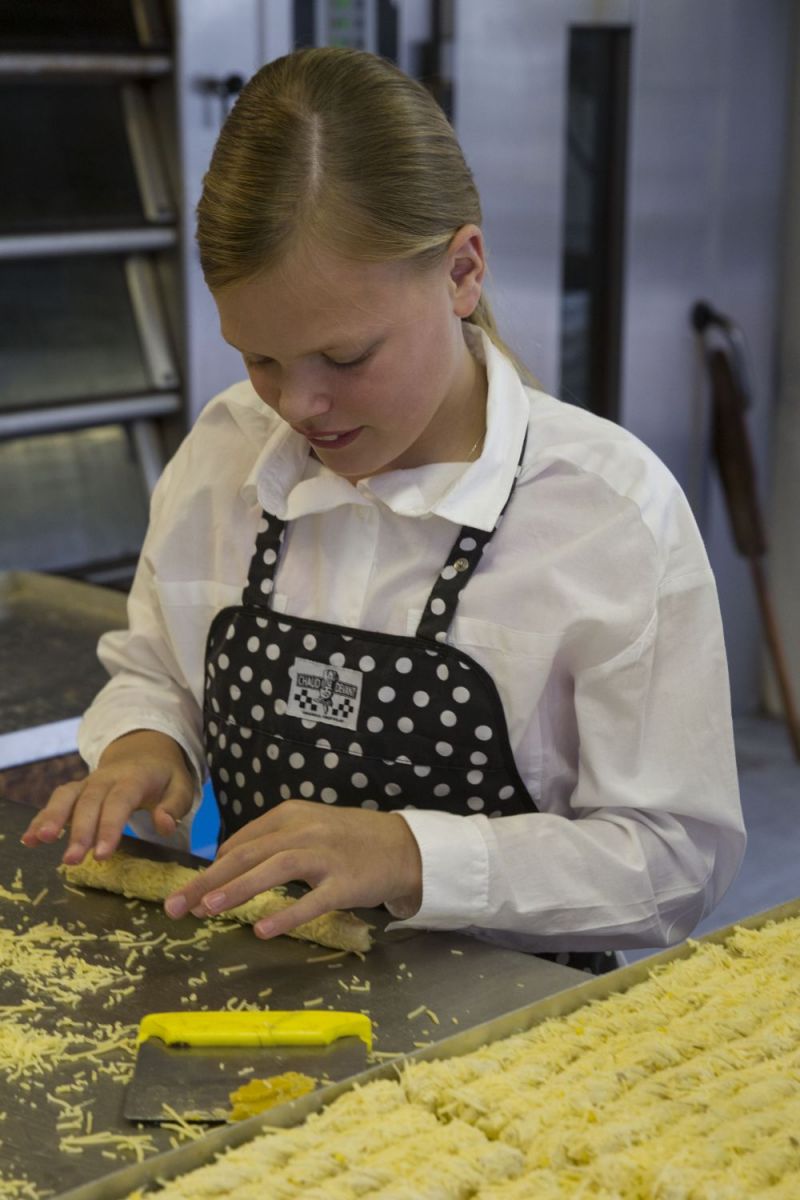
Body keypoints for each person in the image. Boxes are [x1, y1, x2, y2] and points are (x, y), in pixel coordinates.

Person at [22, 47, 745, 969]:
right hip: (257, 993)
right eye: (260, 358)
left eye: (347, 358)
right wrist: (143, 742)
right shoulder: (226, 451)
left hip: (514, 1039)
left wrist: (412, 854)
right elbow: (159, 668)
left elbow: (675, 865)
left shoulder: (607, 514)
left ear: (462, 271)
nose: (296, 407)